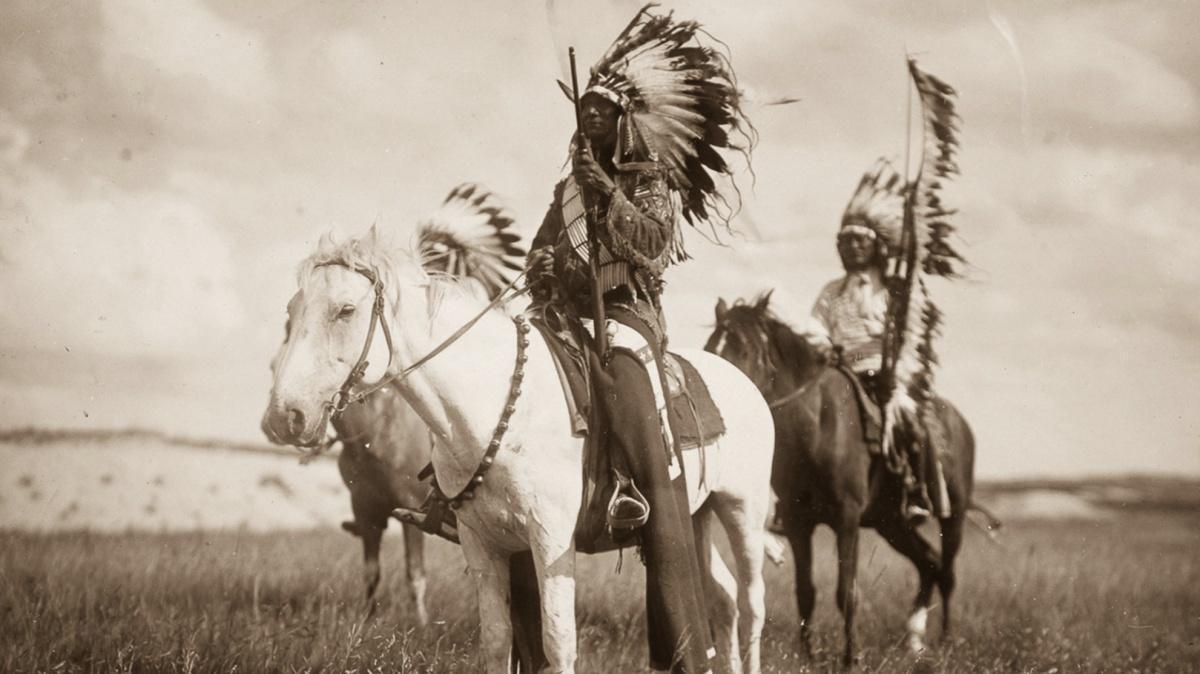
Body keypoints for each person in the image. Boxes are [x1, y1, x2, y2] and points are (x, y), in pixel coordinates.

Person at [525, 7, 752, 672]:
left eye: (600, 112)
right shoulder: (567, 186)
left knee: (627, 384)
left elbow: (653, 247)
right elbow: (541, 250)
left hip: (627, 317)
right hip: (566, 316)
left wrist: (610, 198)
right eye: (583, 112)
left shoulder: (647, 181)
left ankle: (648, 499)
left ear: (622, 120)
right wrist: (541, 286)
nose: (588, 120)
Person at [805, 160, 935, 520]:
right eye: (846, 241)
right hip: (840, 371)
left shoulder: (894, 290)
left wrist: (895, 366)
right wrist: (825, 349)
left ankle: (914, 489)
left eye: (860, 241)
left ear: (875, 246)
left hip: (885, 374)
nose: (852, 248)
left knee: (906, 420)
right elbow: (815, 327)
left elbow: (912, 333)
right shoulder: (832, 291)